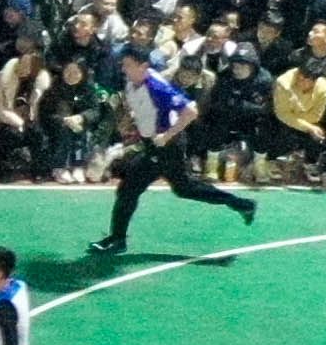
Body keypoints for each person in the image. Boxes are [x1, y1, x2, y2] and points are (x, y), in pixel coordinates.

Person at [94, 47, 260, 254]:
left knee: (140, 188)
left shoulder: (157, 85)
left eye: (128, 65)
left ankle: (117, 239)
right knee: (175, 188)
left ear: (143, 66)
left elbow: (190, 112)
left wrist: (166, 136)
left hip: (167, 147)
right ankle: (240, 204)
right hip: (154, 146)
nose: (123, 68)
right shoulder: (134, 82)